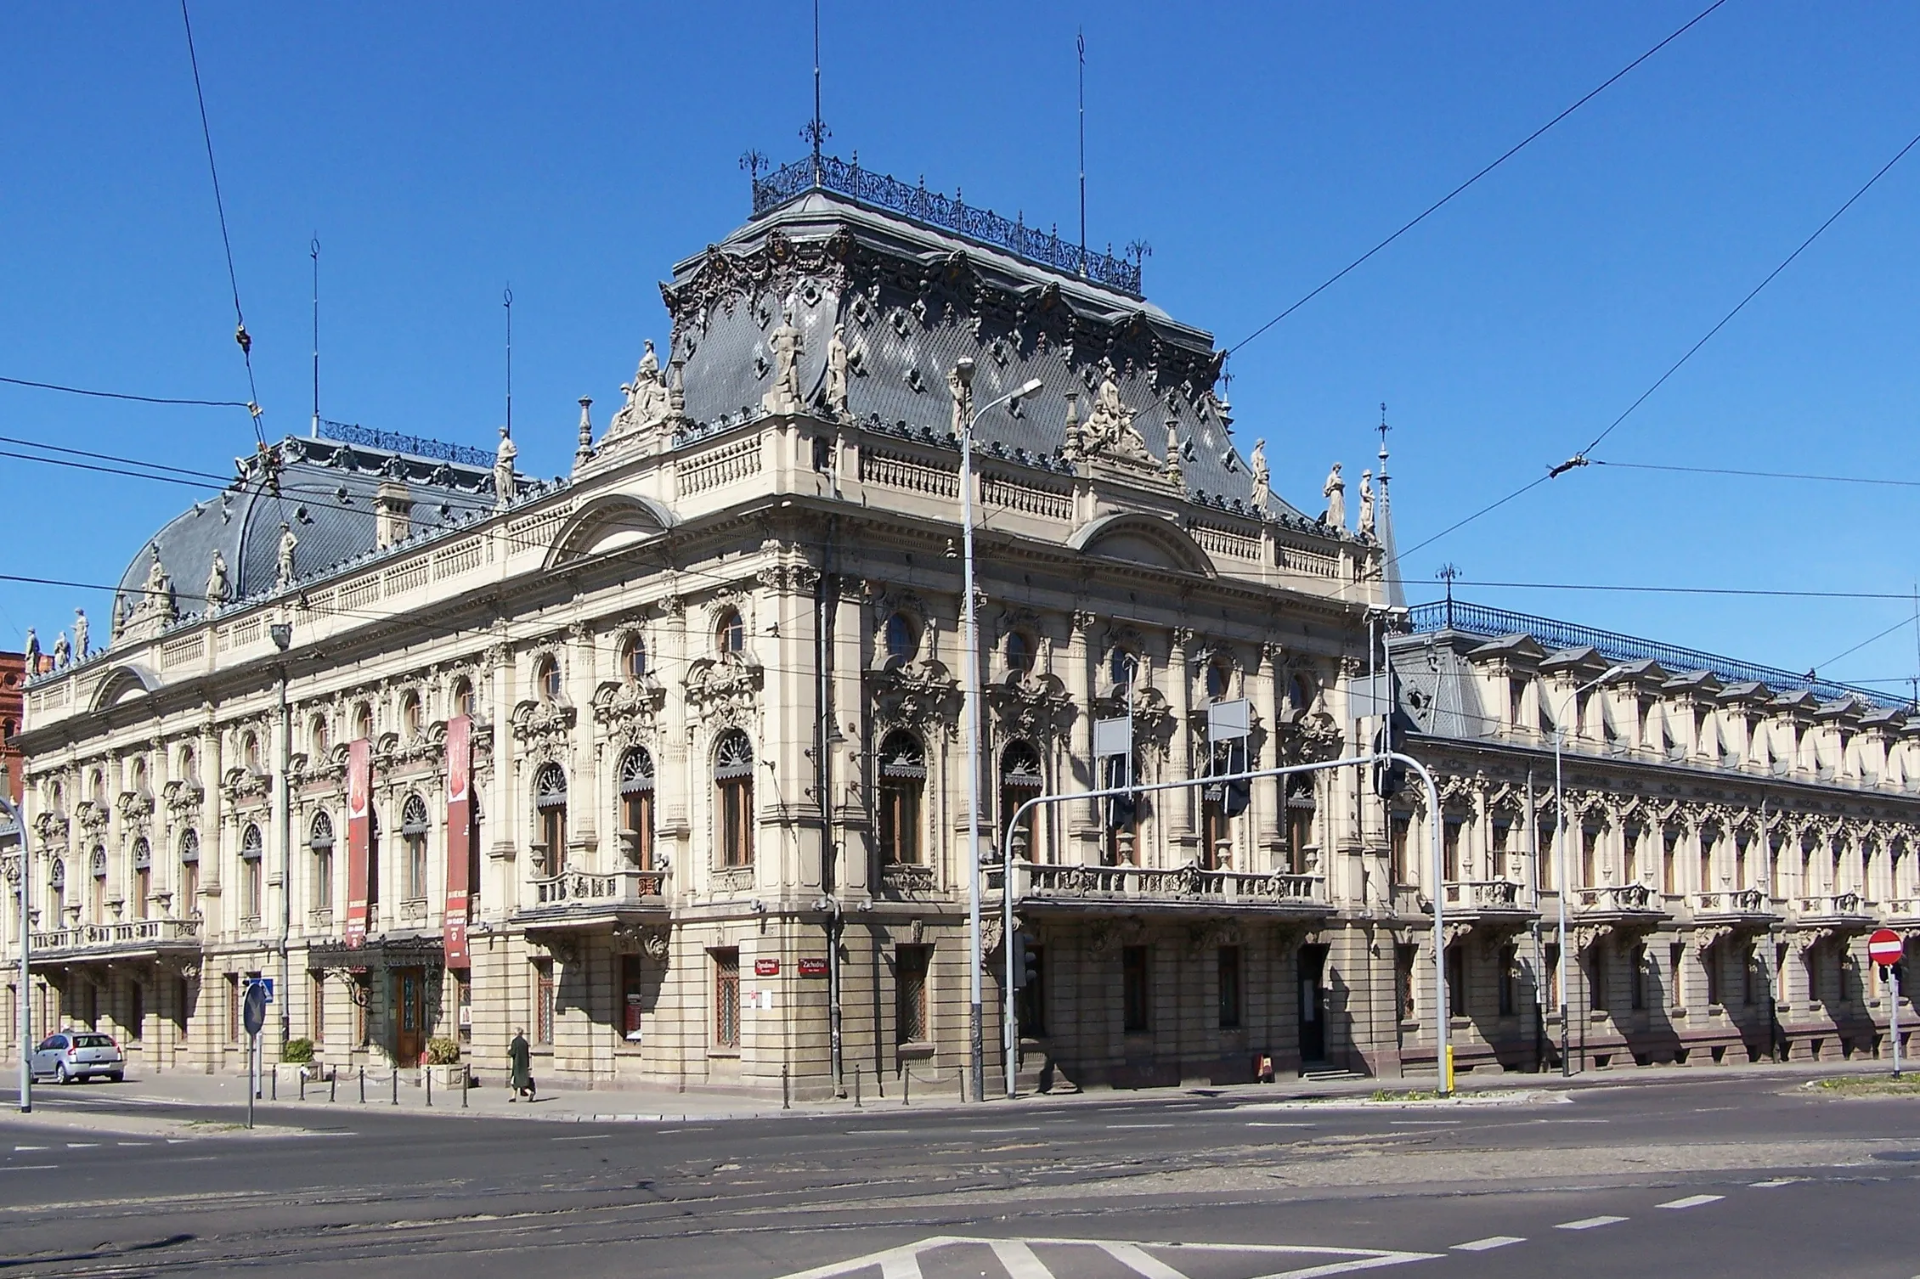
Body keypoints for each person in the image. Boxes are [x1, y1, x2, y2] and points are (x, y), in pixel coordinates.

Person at [508, 1027, 534, 1101]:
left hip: (517, 1065)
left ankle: (529, 1092)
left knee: (517, 1082)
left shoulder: (515, 1042)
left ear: (516, 1033)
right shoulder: (525, 1042)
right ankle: (513, 1097)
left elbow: (513, 1053)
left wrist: (509, 1050)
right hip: (524, 1065)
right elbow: (527, 1054)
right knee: (516, 1081)